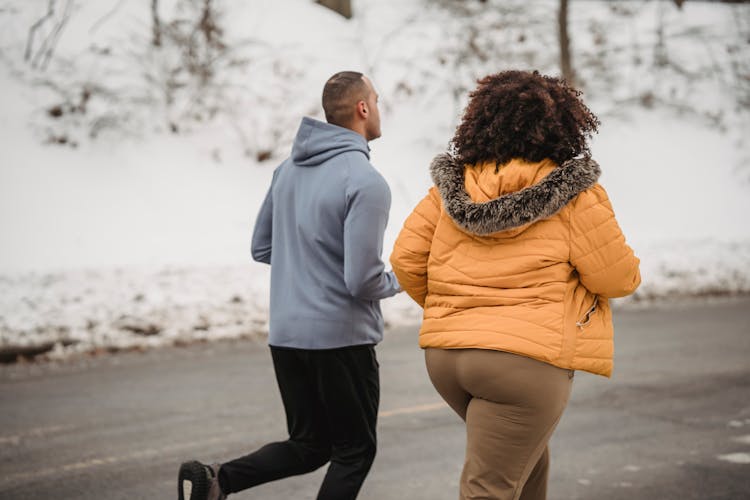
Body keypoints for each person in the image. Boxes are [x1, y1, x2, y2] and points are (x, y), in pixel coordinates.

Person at [390, 70, 641, 500]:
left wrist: (456, 309)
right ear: (563, 128)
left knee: (526, 464)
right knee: (490, 487)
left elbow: (405, 260)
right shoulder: (576, 195)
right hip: (525, 367)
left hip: (447, 361)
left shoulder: (450, 191)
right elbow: (616, 278)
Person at [178, 71, 401, 500]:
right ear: (363, 108)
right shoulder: (365, 181)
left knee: (310, 445)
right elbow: (362, 279)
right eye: (376, 98)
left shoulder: (286, 170)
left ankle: (217, 481)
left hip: (286, 335)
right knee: (354, 451)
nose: (378, 105)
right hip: (341, 339)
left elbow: (263, 247)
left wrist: (305, 269)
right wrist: (403, 281)